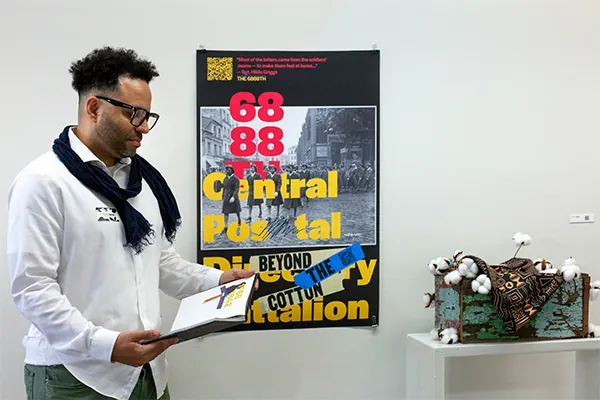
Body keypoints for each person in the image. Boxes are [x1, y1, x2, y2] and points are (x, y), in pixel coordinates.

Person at [6, 46, 256, 400]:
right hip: (74, 377)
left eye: (148, 116)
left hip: (147, 374)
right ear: (94, 108)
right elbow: (32, 288)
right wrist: (105, 345)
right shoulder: (44, 182)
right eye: (134, 114)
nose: (144, 128)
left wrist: (218, 281)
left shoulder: (141, 181)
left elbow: (160, 260)